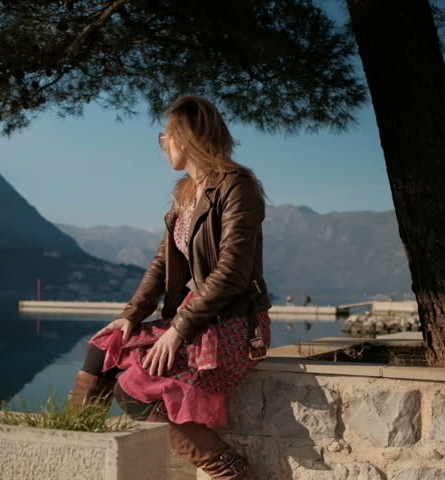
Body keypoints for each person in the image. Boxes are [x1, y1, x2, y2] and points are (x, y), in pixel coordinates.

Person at [68, 96, 272, 480]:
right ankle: (77, 457)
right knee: (102, 349)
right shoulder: (184, 194)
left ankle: (234, 474)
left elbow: (233, 270)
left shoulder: (236, 186)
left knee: (132, 392)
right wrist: (131, 316)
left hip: (233, 324)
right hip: (197, 317)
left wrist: (179, 329)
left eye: (165, 136)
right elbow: (163, 266)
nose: (162, 144)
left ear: (184, 136)